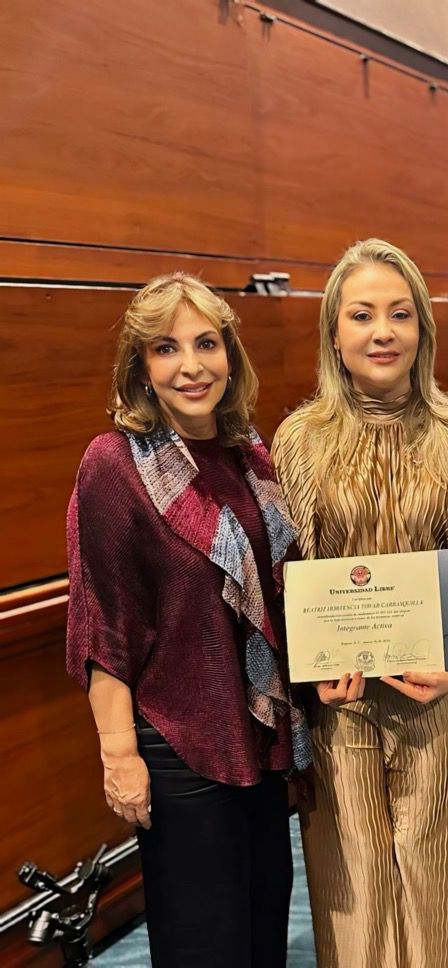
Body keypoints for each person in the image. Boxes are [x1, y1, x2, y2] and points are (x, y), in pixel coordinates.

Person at [66, 273, 311, 968]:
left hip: (258, 741)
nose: (191, 365)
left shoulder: (250, 455)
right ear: (140, 367)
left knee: (262, 927)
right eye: (166, 348)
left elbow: (283, 590)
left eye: (206, 343)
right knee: (202, 944)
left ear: (230, 354)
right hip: (179, 748)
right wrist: (119, 757)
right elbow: (102, 622)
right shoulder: (114, 464)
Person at [272, 239, 448, 968]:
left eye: (400, 314)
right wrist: (311, 668)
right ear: (334, 335)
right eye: (362, 314)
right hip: (339, 700)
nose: (382, 331)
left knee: (433, 876)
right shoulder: (299, 441)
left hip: (437, 695)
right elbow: (290, 572)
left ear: (422, 331)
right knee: (353, 878)